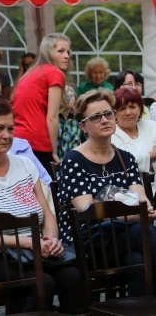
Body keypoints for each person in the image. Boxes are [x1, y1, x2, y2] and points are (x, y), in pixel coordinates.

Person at [0, 99, 82, 314]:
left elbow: (47, 215)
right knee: (41, 283)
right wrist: (29, 243)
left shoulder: (25, 165)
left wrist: (51, 239)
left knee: (73, 276)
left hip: (33, 251)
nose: (7, 135)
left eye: (11, 129)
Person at [57, 89, 156, 296]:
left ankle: (140, 310)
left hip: (123, 235)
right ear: (83, 126)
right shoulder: (73, 160)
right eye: (95, 117)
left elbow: (142, 200)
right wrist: (135, 213)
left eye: (108, 113)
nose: (105, 120)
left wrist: (145, 209)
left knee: (138, 260)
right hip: (89, 239)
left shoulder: (125, 158)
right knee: (143, 232)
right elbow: (89, 210)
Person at [12, 33, 72, 166]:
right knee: (46, 186)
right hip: (37, 141)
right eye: (60, 51)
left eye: (68, 51)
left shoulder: (31, 73)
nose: (67, 56)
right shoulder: (54, 73)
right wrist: (54, 152)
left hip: (17, 139)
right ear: (48, 52)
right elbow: (52, 117)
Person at [111, 87, 156, 173]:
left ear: (140, 109)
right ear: (114, 112)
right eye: (122, 108)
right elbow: (129, 160)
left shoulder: (151, 125)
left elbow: (136, 161)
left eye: (132, 107)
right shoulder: (112, 133)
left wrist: (144, 161)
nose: (128, 113)